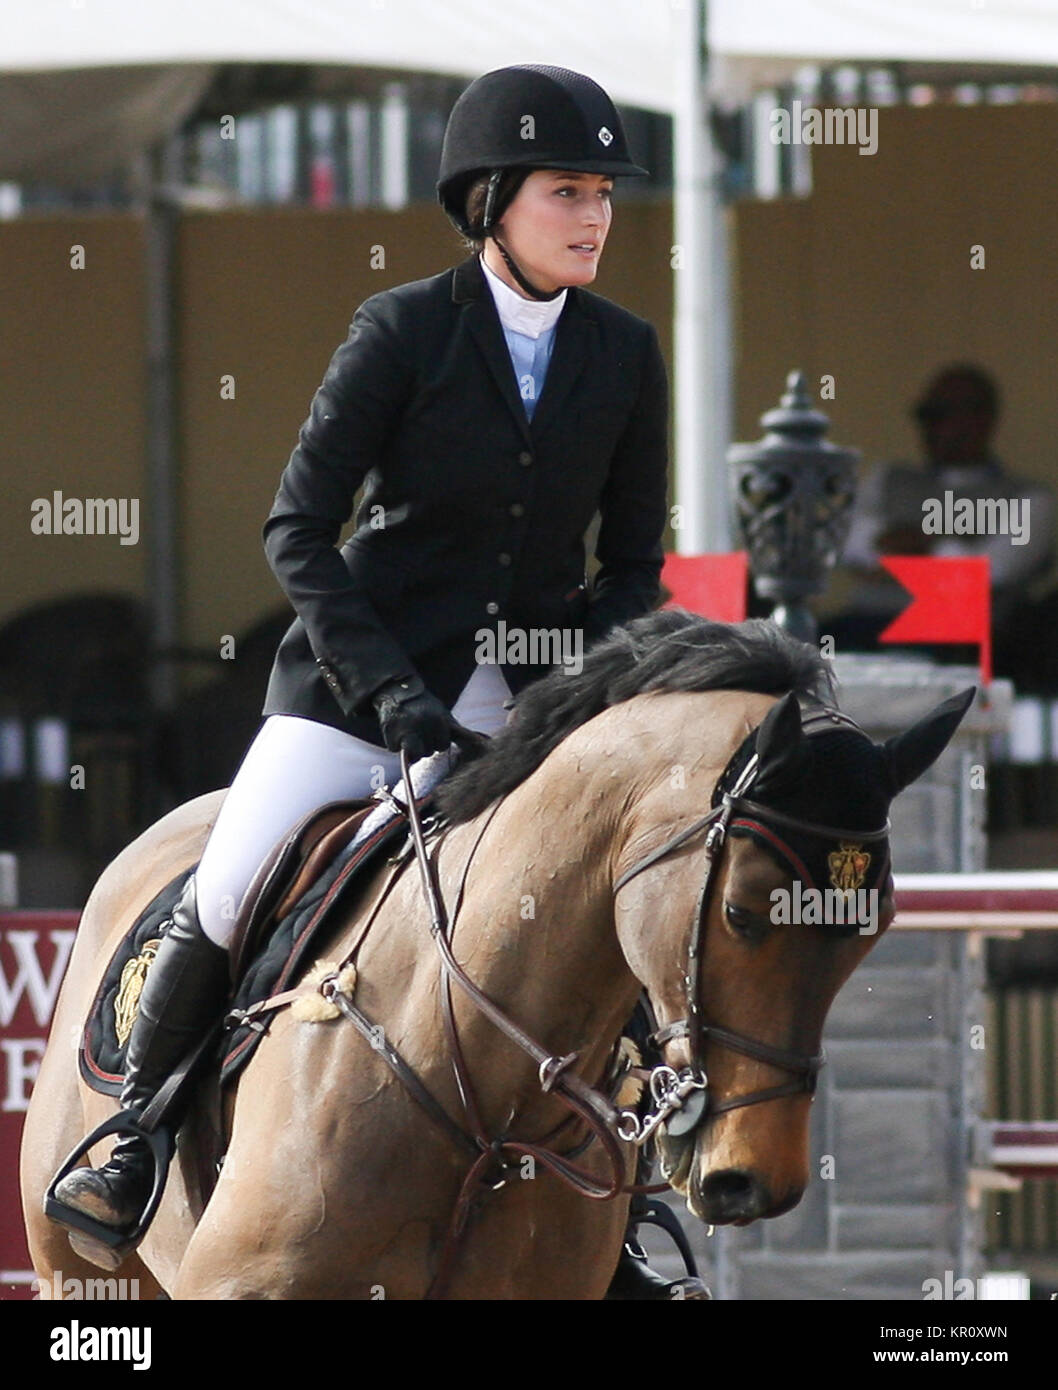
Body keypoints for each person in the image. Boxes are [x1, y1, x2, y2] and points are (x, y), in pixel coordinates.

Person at [51, 64, 698, 1298]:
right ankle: (132, 1135)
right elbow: (297, 529)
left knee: (591, 921)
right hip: (357, 695)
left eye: (604, 194)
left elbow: (628, 567)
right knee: (233, 883)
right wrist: (398, 698)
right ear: (492, 199)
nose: (594, 216)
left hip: (529, 704)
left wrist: (584, 696)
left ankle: (621, 1203)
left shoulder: (623, 352)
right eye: (568, 191)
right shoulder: (403, 330)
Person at [834, 364, 1056, 653]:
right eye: (925, 416)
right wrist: (943, 557)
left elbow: (990, 575)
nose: (931, 428)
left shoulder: (1030, 497)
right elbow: (847, 544)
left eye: (942, 415)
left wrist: (921, 545)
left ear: (982, 420)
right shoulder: (888, 478)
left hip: (964, 645)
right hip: (863, 626)